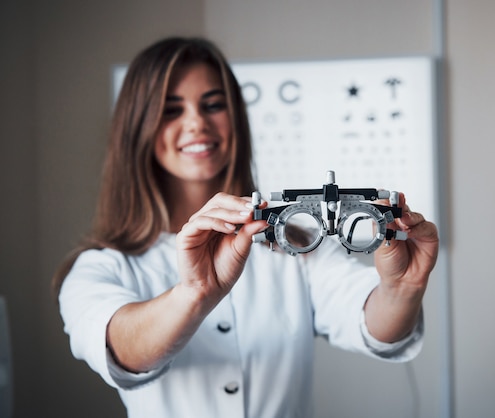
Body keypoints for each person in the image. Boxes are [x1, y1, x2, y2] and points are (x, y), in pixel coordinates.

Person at [53, 36, 439, 418]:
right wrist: (194, 293)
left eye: (213, 104)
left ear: (235, 117)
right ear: (138, 128)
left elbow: (373, 323)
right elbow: (125, 351)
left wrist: (403, 289)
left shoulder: (297, 246)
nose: (197, 123)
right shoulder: (99, 268)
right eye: (171, 110)